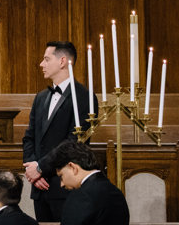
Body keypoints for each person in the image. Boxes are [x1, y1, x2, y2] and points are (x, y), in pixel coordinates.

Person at [22, 41, 95, 221]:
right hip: (39, 187)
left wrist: (40, 168)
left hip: (65, 186)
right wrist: (33, 171)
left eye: (46, 59)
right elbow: (29, 137)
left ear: (62, 61)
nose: (41, 64)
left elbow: (73, 142)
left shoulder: (85, 97)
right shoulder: (41, 97)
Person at [50, 141, 128, 225]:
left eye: (61, 176)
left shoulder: (80, 196)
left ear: (72, 167)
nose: (62, 184)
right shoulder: (116, 192)